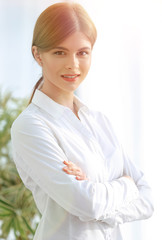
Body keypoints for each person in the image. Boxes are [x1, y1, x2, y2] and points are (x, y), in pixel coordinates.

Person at [11, 2, 154, 240]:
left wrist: (98, 199)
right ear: (37, 54)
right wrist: (126, 185)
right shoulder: (31, 126)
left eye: (82, 52)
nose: (73, 64)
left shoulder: (100, 121)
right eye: (60, 52)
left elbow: (147, 200)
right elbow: (87, 203)